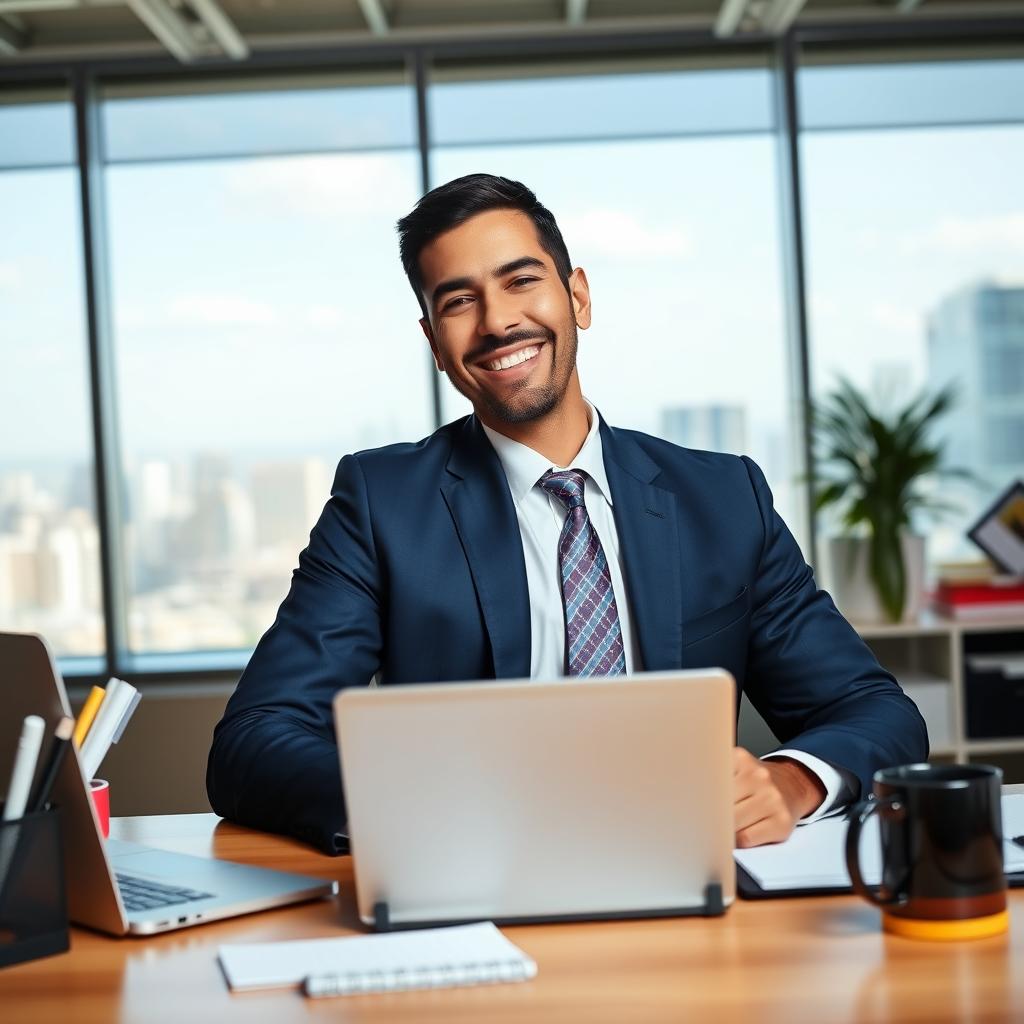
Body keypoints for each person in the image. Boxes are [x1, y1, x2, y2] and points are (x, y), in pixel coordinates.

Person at [207, 173, 928, 855]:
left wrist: (787, 783)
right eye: (458, 301)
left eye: (521, 280)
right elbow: (255, 741)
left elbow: (878, 713)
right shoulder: (381, 503)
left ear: (578, 297)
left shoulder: (722, 498)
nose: (497, 321)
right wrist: (422, 805)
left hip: (693, 869)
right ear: (434, 342)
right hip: (475, 878)